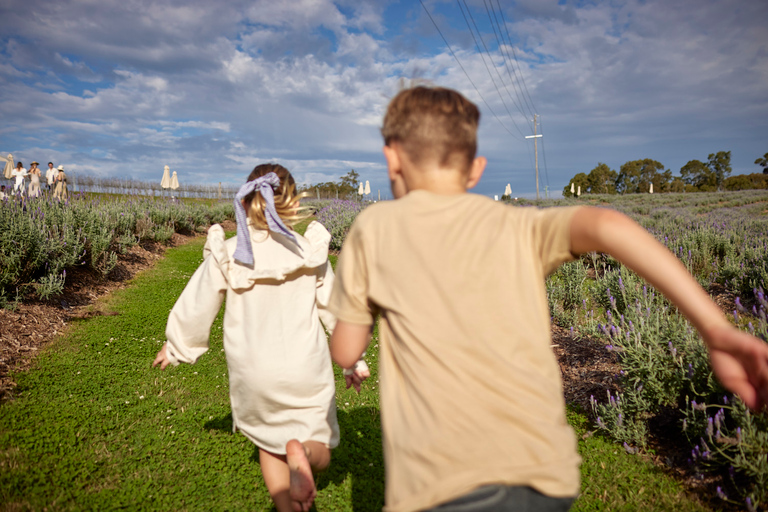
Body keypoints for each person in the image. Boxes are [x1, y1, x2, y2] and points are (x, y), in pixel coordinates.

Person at [327, 86, 768, 512]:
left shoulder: (375, 227)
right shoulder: (518, 226)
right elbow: (606, 225)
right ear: (476, 169)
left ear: (391, 156)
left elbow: (346, 348)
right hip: (544, 473)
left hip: (441, 482)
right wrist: (715, 328)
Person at [152, 163, 368, 512]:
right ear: (293, 203)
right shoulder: (308, 251)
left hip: (254, 370)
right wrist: (352, 360)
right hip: (305, 368)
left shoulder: (233, 252)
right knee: (322, 449)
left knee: (269, 444)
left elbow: (199, 300)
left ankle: (285, 505)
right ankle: (304, 454)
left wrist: (177, 344)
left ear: (246, 201)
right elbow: (334, 307)